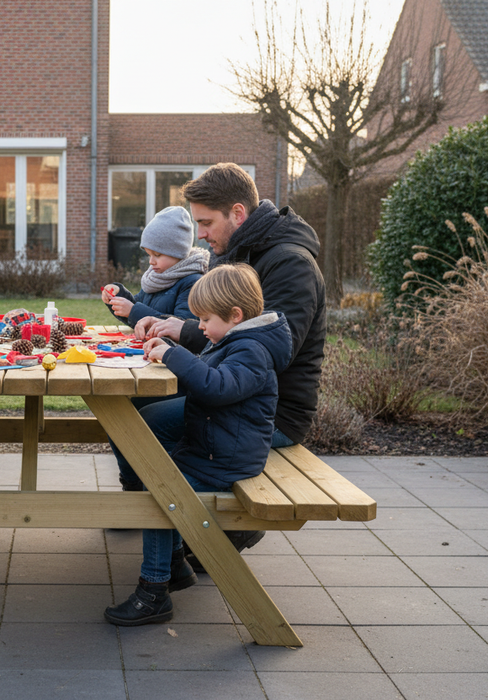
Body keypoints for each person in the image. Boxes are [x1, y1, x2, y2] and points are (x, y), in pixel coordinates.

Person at [113, 163, 326, 554]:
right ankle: (159, 521)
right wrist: (166, 326)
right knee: (141, 415)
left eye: (207, 223)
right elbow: (209, 326)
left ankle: (201, 530)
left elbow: (273, 352)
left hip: (269, 415)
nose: (202, 234)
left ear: (238, 213)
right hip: (233, 396)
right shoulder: (233, 252)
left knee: (153, 435)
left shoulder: (289, 263)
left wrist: (181, 334)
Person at [103, 264, 292, 626]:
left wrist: (174, 355)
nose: (200, 326)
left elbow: (216, 387)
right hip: (212, 450)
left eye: (205, 319)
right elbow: (206, 378)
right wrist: (171, 350)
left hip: (226, 459)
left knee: (161, 495)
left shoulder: (251, 351)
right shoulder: (236, 340)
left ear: (235, 315)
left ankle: (153, 592)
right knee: (158, 480)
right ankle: (175, 567)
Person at [101, 205, 208, 327]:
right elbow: (136, 313)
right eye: (149, 255)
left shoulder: (192, 284)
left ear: (178, 252)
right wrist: (118, 296)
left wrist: (132, 311)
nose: (151, 261)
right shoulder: (156, 277)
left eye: (157, 255)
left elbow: (183, 328)